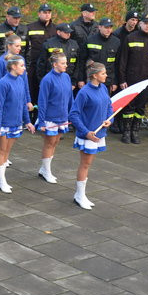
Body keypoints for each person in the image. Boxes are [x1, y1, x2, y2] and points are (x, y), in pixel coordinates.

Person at [68, 62, 113, 209]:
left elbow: (109, 107)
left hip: (99, 133)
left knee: (89, 164)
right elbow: (74, 115)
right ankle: (79, 195)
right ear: (94, 75)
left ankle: (81, 194)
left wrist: (109, 120)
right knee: (85, 164)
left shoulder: (104, 88)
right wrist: (86, 133)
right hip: (88, 135)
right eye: (103, 73)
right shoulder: (84, 92)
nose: (106, 75)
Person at [0, 54, 36, 193]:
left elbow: (23, 103)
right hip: (4, 123)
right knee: (1, 151)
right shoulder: (3, 83)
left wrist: (27, 121)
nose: (24, 68)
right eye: (22, 66)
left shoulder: (20, 81)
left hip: (16, 123)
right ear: (13, 66)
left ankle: (0, 178)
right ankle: (1, 179)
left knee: (7, 152)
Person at [117, 14, 148, 144]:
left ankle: (135, 131)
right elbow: (123, 61)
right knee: (129, 106)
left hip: (147, 80)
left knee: (141, 106)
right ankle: (126, 131)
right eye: (145, 23)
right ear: (140, 24)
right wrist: (122, 79)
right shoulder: (131, 37)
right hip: (131, 79)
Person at [36, 52, 73, 184]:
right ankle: (46, 171)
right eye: (63, 63)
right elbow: (42, 101)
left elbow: (70, 97)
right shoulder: (47, 79)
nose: (66, 65)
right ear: (55, 64)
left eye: (66, 63)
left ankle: (44, 168)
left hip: (62, 116)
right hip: (50, 117)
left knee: (56, 142)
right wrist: (41, 121)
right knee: (49, 143)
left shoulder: (66, 77)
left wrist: (71, 113)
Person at [84, 17, 121, 131]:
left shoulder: (116, 42)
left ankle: (103, 125)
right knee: (91, 103)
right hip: (92, 79)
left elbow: (117, 64)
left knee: (105, 104)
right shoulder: (90, 40)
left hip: (107, 79)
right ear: (99, 27)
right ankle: (87, 123)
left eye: (110, 27)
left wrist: (115, 81)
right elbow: (83, 59)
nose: (108, 30)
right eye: (106, 27)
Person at [26, 3, 58, 106]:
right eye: (44, 12)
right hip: (33, 66)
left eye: (49, 12)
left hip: (50, 68)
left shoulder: (55, 29)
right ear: (39, 13)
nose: (47, 15)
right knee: (32, 93)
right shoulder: (30, 27)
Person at [0, 34, 33, 112]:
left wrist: (28, 101)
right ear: (9, 46)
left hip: (20, 100)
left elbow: (25, 82)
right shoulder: (0, 62)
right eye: (17, 46)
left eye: (20, 46)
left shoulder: (21, 59)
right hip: (7, 101)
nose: (20, 48)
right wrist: (0, 102)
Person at [36, 23, 82, 91]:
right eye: (66, 32)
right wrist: (41, 81)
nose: (68, 34)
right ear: (58, 32)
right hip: (52, 80)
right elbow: (41, 64)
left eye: (69, 32)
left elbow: (77, 65)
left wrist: (73, 82)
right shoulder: (49, 44)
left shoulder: (74, 44)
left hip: (69, 80)